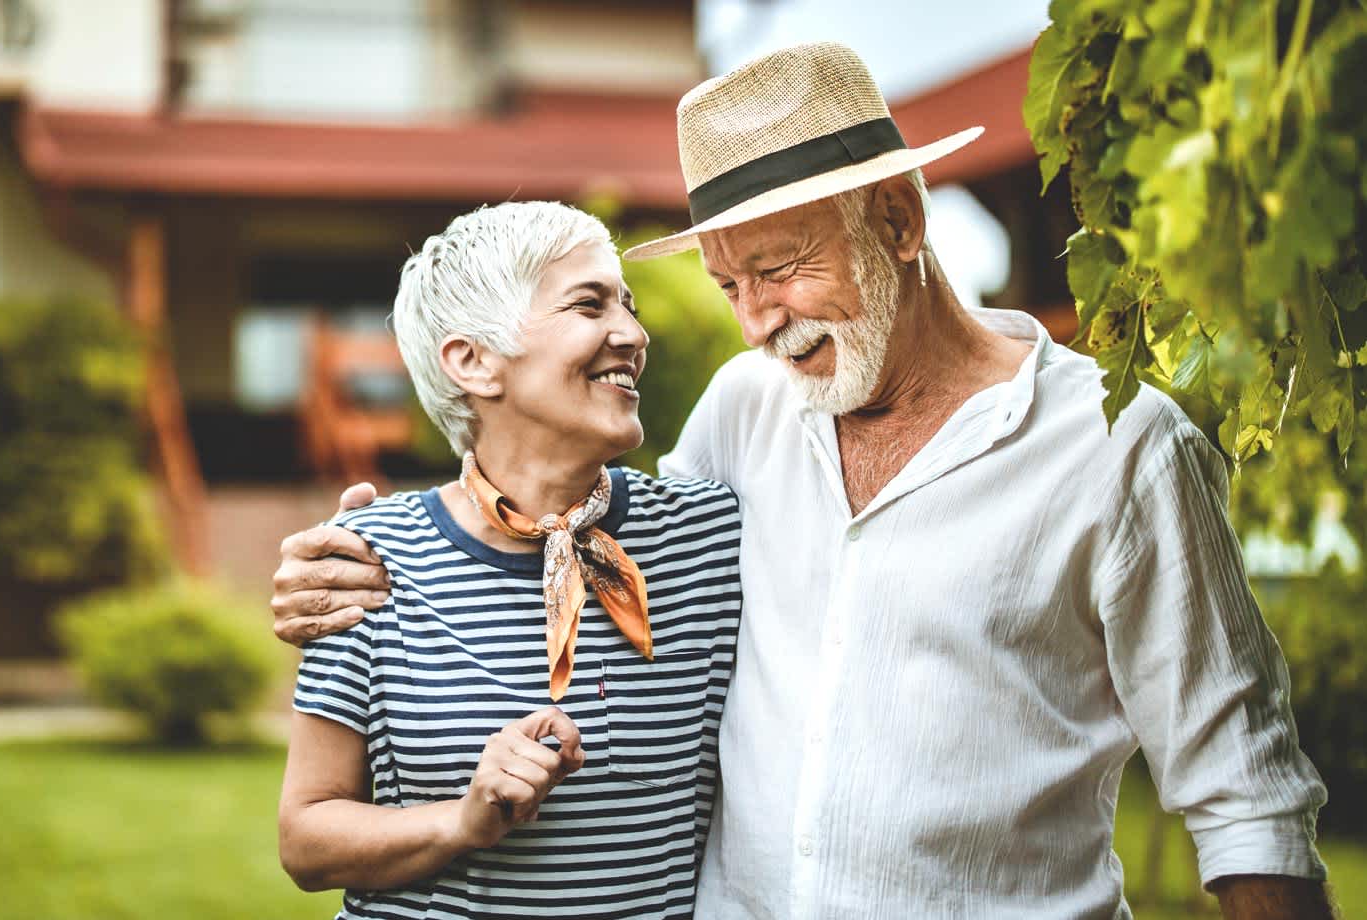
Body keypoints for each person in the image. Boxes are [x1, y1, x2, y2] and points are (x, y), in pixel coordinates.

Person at [271, 43, 1332, 919]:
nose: (758, 319)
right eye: (729, 283)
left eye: (779, 268)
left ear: (901, 223)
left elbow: (1248, 798)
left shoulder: (1119, 445)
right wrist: (350, 563)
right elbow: (584, 538)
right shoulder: (746, 409)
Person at [277, 201, 744, 920]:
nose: (633, 333)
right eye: (589, 305)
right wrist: (460, 821)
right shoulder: (367, 558)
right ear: (474, 362)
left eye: (628, 304)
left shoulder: (709, 536)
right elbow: (307, 839)